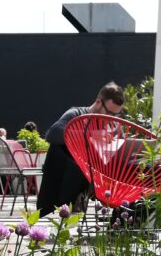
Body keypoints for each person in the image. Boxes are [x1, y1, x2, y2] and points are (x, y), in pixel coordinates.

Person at [36, 82, 124, 216]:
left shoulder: (113, 126)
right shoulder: (76, 114)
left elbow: (122, 153)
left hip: (102, 177)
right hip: (77, 174)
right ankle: (59, 207)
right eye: (110, 113)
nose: (111, 118)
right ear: (98, 102)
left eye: (115, 115)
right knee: (58, 149)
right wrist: (91, 135)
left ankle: (123, 225)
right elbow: (53, 133)